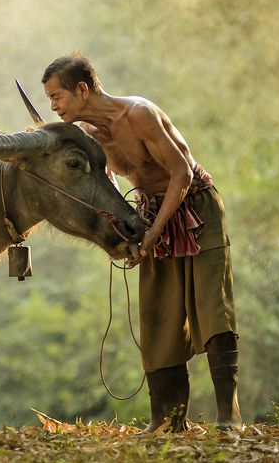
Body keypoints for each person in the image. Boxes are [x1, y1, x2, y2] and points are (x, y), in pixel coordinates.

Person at [40, 53, 242, 432]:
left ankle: (229, 419)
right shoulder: (92, 135)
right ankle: (167, 422)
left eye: (57, 96)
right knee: (157, 316)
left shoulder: (138, 114)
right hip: (151, 214)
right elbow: (107, 183)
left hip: (195, 208)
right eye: (50, 99)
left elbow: (181, 173)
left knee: (212, 308)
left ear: (82, 89)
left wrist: (153, 232)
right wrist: (128, 229)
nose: (53, 105)